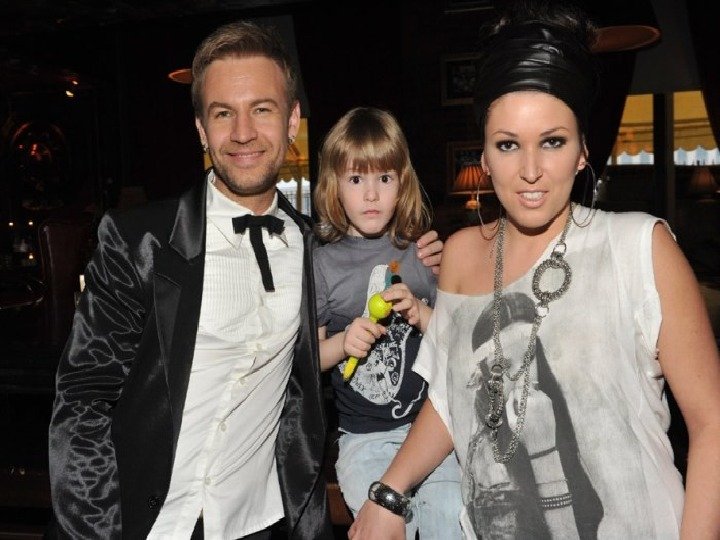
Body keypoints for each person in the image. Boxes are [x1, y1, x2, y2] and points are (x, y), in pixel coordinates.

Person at [47, 21, 443, 539]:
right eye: (223, 113)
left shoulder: (313, 252)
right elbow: (83, 401)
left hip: (265, 523)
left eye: (261, 110)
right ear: (200, 128)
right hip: (145, 524)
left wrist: (430, 261)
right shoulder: (139, 240)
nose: (242, 133)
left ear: (292, 120)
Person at [348, 1, 720, 539]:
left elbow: (711, 423)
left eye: (552, 142)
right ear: (484, 155)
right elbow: (452, 398)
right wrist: (389, 492)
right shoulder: (461, 255)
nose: (529, 171)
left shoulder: (640, 247)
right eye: (507, 145)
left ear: (583, 150)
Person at [312, 107, 463, 538]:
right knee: (384, 528)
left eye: (384, 178)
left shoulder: (421, 254)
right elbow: (309, 358)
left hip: (431, 431)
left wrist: (419, 312)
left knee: (452, 519)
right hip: (363, 438)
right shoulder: (322, 265)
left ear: (403, 183)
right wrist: (344, 342)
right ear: (334, 186)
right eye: (355, 179)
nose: (371, 195)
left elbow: (456, 341)